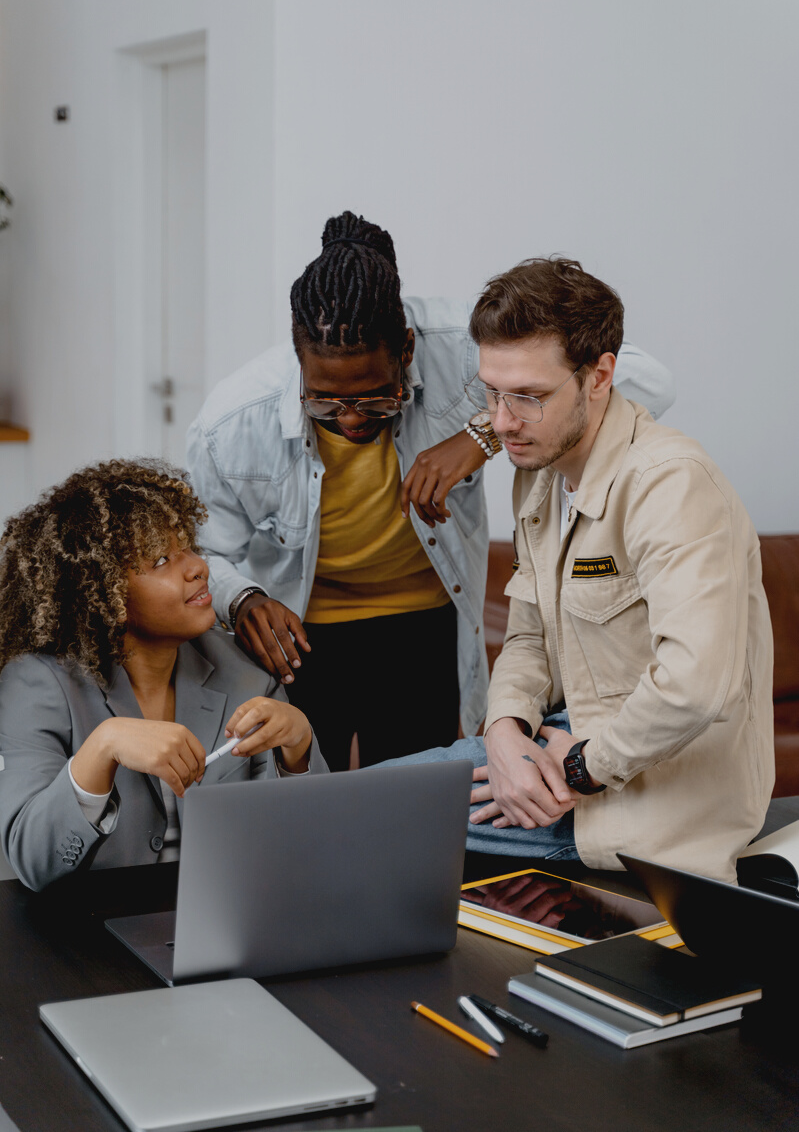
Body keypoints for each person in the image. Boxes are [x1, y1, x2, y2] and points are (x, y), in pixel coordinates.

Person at [187, 212, 676, 771]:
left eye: (376, 400)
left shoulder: (464, 347)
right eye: (324, 403)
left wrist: (481, 434)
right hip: (300, 636)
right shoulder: (231, 424)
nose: (349, 421)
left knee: (410, 813)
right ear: (298, 366)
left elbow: (649, 381)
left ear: (408, 352)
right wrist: (242, 597)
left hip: (421, 628)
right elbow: (203, 549)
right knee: (297, 810)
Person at [376, 257, 774, 884]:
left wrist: (584, 765)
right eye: (492, 392)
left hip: (639, 797)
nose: (500, 422)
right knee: (347, 807)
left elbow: (698, 682)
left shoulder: (669, 483)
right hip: (556, 753)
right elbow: (530, 636)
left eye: (528, 397)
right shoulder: (540, 475)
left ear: (600, 376)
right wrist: (506, 732)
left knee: (356, 815)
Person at [0, 459, 327, 892]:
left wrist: (298, 749)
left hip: (222, 917)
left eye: (189, 547)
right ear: (102, 590)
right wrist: (101, 749)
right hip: (81, 935)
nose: (198, 568)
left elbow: (310, 845)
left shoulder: (242, 668)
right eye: (160, 560)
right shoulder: (36, 684)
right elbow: (34, 862)